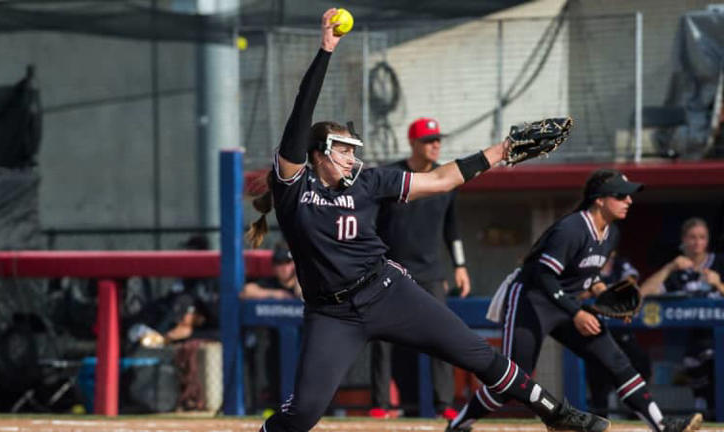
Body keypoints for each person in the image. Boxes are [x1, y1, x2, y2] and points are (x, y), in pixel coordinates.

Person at [246, 9, 609, 432]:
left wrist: (502, 150)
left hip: (386, 290)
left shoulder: (368, 181)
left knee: (477, 355)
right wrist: (325, 51)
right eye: (343, 150)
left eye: (352, 149)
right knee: (304, 413)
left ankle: (555, 414)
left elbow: (439, 180)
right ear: (319, 153)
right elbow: (299, 116)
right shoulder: (293, 187)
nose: (352, 157)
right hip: (332, 314)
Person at [448, 170, 703, 432]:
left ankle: (661, 425)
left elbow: (588, 275)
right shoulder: (572, 228)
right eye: (621, 195)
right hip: (531, 300)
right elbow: (544, 276)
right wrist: (577, 313)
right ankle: (458, 424)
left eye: (629, 196)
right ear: (600, 199)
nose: (629, 201)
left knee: (617, 363)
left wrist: (605, 295)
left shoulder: (611, 233)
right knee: (513, 379)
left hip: (565, 302)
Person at [370, 117, 471, 420]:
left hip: (430, 273)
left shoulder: (445, 180)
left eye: (438, 139)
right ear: (412, 143)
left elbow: (452, 229)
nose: (435, 144)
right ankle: (380, 404)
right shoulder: (392, 176)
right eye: (428, 140)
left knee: (441, 335)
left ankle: (445, 404)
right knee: (380, 338)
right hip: (389, 270)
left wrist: (461, 265)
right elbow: (372, 222)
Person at [640, 218, 723, 411]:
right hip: (693, 343)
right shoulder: (678, 269)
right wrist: (670, 268)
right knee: (703, 398)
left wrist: (718, 284)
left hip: (720, 340)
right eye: (692, 237)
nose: (697, 242)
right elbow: (643, 293)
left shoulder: (719, 262)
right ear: (683, 239)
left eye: (702, 237)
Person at [583, 251, 652, 418]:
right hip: (597, 335)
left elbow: (630, 284)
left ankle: (637, 416)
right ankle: (599, 421)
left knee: (639, 367)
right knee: (598, 387)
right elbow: (579, 293)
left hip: (624, 337)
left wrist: (606, 292)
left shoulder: (621, 265)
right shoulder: (587, 266)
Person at [240, 242, 301, 410]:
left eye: (287, 263)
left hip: (305, 345)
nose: (283, 268)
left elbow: (304, 293)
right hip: (275, 346)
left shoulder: (303, 280)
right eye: (279, 264)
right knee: (273, 366)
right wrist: (278, 294)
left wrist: (299, 279)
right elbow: (247, 291)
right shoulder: (272, 283)